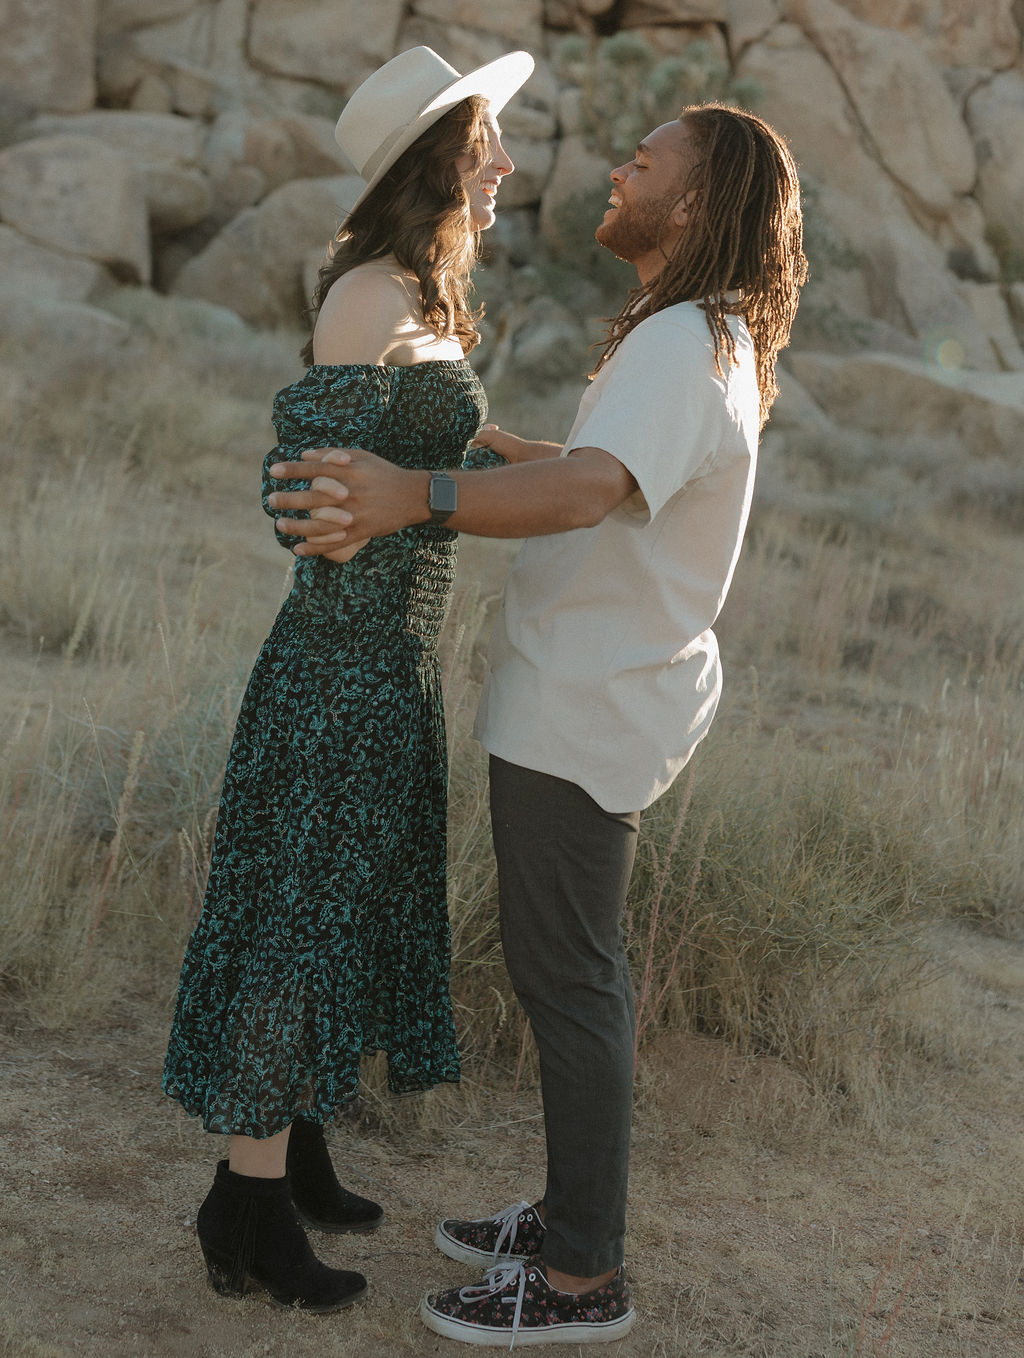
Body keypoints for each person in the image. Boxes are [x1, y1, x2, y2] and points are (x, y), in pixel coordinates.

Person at [269, 103, 807, 1344]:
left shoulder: (683, 339)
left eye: (647, 163)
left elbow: (591, 492)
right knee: (569, 972)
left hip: (587, 703)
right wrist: (520, 447)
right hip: (591, 690)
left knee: (569, 983)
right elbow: (605, 471)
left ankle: (579, 1279)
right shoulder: (695, 335)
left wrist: (420, 495)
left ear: (703, 202)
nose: (618, 169)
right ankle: (570, 1216)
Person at [161, 44, 534, 1313]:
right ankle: (244, 1202)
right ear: (439, 160)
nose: (505, 168)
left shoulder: (420, 302)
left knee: (345, 912)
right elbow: (309, 504)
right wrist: (377, 506)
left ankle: (297, 1145)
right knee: (294, 929)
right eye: (488, 146)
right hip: (335, 667)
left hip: (391, 663)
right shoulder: (370, 298)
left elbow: (429, 437)